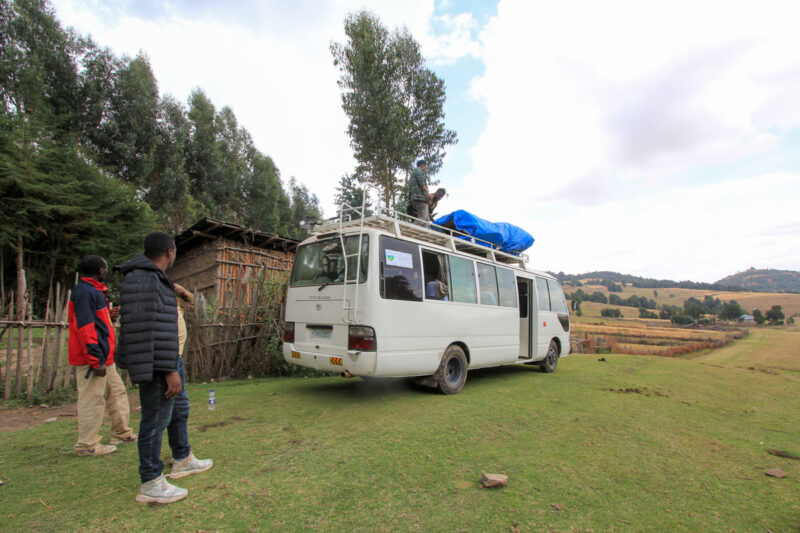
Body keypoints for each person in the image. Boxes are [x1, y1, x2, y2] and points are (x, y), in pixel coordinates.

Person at [116, 232, 213, 504]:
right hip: (158, 364)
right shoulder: (145, 279)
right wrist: (169, 369)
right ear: (170, 252)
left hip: (168, 359)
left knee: (179, 409)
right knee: (155, 419)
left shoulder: (152, 278)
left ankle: (182, 458)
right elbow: (149, 327)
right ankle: (151, 482)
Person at [68, 255, 137, 457]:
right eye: (105, 268)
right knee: (93, 399)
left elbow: (97, 322)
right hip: (92, 359)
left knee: (116, 393)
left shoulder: (94, 291)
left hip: (105, 358)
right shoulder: (85, 292)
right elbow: (85, 327)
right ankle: (87, 445)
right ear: (100, 270)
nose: (106, 271)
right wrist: (94, 359)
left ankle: (121, 433)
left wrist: (109, 316)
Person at [408, 159, 431, 226]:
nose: (426, 168)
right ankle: (409, 230)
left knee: (427, 221)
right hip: (420, 198)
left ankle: (424, 232)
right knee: (422, 218)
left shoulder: (414, 173)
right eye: (426, 166)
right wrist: (427, 193)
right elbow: (421, 183)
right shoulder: (418, 171)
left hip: (416, 198)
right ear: (423, 165)